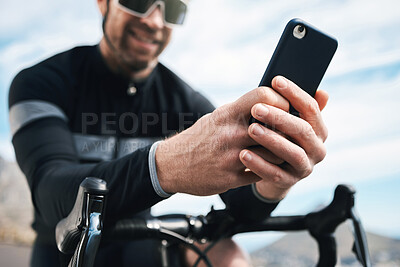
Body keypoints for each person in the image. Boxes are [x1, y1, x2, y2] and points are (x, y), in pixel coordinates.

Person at [8, 0, 329, 266]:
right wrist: (170, 164)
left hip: (139, 245)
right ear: (103, 3)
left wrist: (273, 177)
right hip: (62, 249)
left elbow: (243, 205)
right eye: (137, 2)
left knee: (227, 255)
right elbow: (52, 193)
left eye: (172, 9)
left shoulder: (184, 101)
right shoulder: (41, 82)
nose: (154, 21)